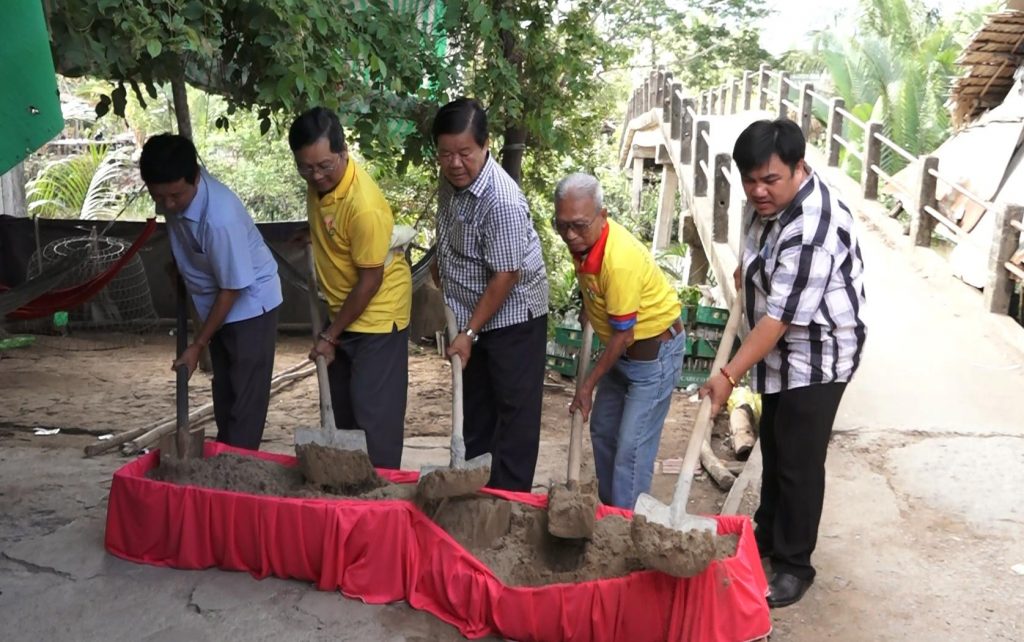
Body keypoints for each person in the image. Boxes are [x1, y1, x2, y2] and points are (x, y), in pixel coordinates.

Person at [700, 119, 867, 608]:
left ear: (799, 168)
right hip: (780, 352)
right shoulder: (766, 203)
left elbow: (778, 321)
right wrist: (748, 268)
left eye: (770, 180)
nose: (758, 191)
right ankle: (768, 533)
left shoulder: (813, 225)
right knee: (773, 443)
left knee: (798, 460)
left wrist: (727, 376)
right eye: (750, 180)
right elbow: (757, 248)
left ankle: (795, 564)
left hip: (819, 353)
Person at [431, 97, 549, 492]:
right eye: (445, 153)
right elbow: (450, 228)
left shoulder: (502, 201)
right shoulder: (450, 180)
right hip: (472, 315)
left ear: (485, 145)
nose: (454, 163)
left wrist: (469, 333)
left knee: (514, 415)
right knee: (476, 408)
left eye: (465, 153)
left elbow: (506, 275)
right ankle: (473, 492)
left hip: (513, 317)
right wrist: (441, 263)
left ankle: (510, 503)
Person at [140, 134, 282, 450]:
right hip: (217, 298)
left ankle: (238, 461)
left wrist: (197, 345)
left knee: (245, 398)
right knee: (225, 390)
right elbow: (186, 237)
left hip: (250, 303)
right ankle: (224, 453)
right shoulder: (174, 194)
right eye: (158, 196)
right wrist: (180, 267)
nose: (168, 205)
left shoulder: (220, 218)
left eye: (175, 196)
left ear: (195, 178)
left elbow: (232, 288)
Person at [288, 107, 412, 470]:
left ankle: (381, 488)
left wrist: (330, 335)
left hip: (377, 313)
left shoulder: (364, 207)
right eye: (306, 168)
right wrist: (314, 234)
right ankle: (346, 483)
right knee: (343, 407)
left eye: (324, 166)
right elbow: (333, 223)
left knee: (374, 414)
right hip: (343, 309)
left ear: (344, 153)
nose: (316, 175)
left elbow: (370, 281)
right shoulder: (319, 182)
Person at [553, 173, 686, 509]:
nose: (570, 235)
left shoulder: (620, 260)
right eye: (562, 225)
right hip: (622, 354)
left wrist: (587, 386)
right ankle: (611, 513)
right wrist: (589, 305)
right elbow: (593, 281)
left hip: (653, 358)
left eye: (579, 226)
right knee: (603, 429)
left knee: (632, 448)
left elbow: (624, 335)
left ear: (603, 215)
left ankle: (627, 525)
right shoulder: (584, 243)